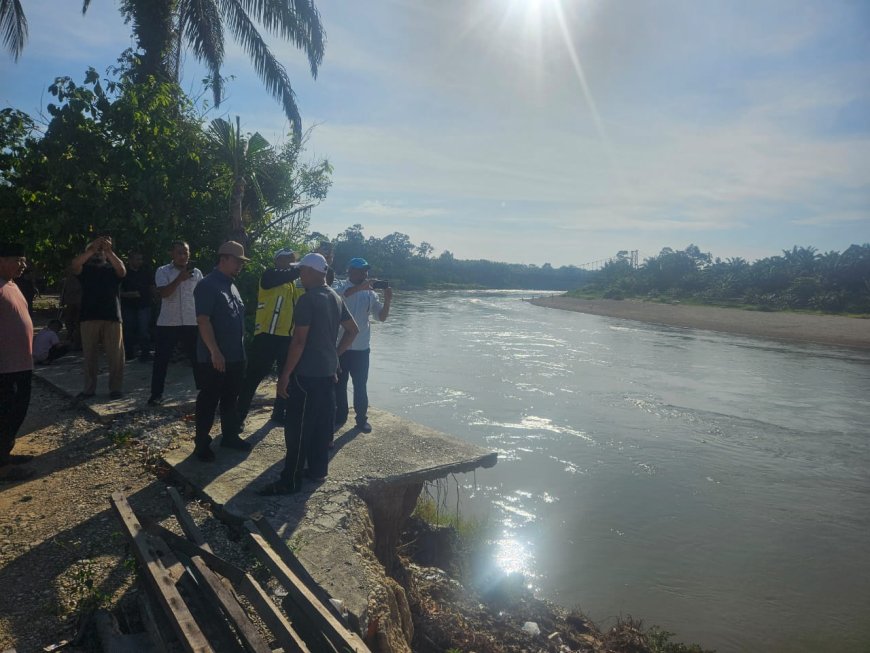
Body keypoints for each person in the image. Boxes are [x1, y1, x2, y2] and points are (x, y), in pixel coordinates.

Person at [258, 253, 358, 495]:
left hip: (305, 375)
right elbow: (352, 330)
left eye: (302, 270)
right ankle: (317, 470)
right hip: (326, 375)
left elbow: (299, 341)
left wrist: (284, 375)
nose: (300, 275)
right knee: (322, 425)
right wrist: (334, 356)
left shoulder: (308, 299)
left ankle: (290, 480)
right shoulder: (335, 297)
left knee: (298, 428)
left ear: (314, 272)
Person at [192, 241, 251, 461]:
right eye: (237, 261)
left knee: (230, 398)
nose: (240, 266)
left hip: (236, 356)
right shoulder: (208, 285)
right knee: (209, 399)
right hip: (214, 358)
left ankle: (229, 436)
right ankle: (201, 442)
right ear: (224, 258)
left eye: (242, 263)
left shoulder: (231, 285)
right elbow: (203, 320)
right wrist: (215, 351)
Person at [236, 248, 303, 425]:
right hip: (266, 336)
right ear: (276, 260)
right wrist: (301, 268)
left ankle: (279, 414)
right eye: (286, 258)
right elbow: (274, 280)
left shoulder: (295, 284)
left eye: (293, 259)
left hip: (286, 338)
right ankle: (238, 418)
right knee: (252, 378)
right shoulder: (270, 275)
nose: (290, 261)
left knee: (285, 378)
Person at [332, 257, 392, 434]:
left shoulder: (370, 294)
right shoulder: (340, 286)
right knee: (339, 385)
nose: (365, 273)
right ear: (351, 271)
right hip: (340, 346)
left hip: (361, 348)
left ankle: (361, 420)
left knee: (360, 385)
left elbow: (381, 317)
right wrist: (361, 287)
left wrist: (388, 300)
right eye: (361, 270)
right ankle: (340, 417)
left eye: (366, 270)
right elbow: (340, 295)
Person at [71, 236, 127, 400]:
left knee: (116, 356)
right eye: (96, 251)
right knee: (89, 355)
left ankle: (115, 388)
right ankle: (89, 389)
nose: (98, 254)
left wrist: (108, 251)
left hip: (112, 317)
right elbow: (74, 265)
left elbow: (122, 270)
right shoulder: (84, 270)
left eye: (100, 252)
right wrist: (92, 249)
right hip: (89, 317)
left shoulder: (112, 270)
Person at [148, 241, 203, 405]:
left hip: (191, 322)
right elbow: (164, 293)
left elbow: (202, 295)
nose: (182, 256)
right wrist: (180, 279)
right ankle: (156, 395)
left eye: (185, 252)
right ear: (172, 254)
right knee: (161, 360)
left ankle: (204, 392)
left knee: (198, 359)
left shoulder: (197, 273)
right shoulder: (163, 271)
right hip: (168, 323)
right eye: (179, 252)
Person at [0, 242, 35, 483]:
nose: (23, 265)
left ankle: (5, 454)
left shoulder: (12, 284)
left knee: (17, 411)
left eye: (24, 260)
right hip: (5, 366)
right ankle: (2, 467)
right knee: (5, 414)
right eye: (18, 260)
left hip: (21, 364)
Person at [120, 251, 154, 362]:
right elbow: (117, 291)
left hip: (144, 305)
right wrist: (127, 294)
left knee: (144, 330)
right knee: (128, 330)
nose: (140, 261)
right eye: (137, 259)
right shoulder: (124, 273)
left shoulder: (146, 272)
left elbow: (152, 286)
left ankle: (145, 353)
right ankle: (129, 353)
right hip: (128, 306)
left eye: (141, 259)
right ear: (130, 260)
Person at [60, 267, 82, 350]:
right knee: (69, 321)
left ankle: (77, 342)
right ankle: (70, 336)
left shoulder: (81, 278)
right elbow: (64, 291)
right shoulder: (67, 280)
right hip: (70, 303)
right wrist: (62, 300)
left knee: (78, 322)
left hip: (79, 303)